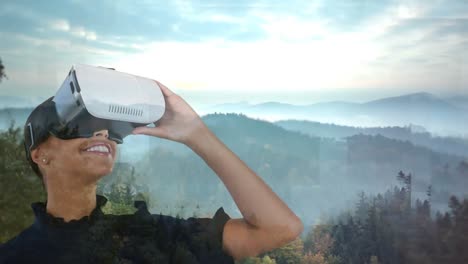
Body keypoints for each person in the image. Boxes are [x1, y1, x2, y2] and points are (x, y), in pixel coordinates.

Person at [0, 81, 303, 263]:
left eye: (111, 128)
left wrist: (197, 134)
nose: (102, 133)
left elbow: (279, 228)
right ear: (40, 155)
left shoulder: (154, 235)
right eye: (79, 125)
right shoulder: (14, 257)